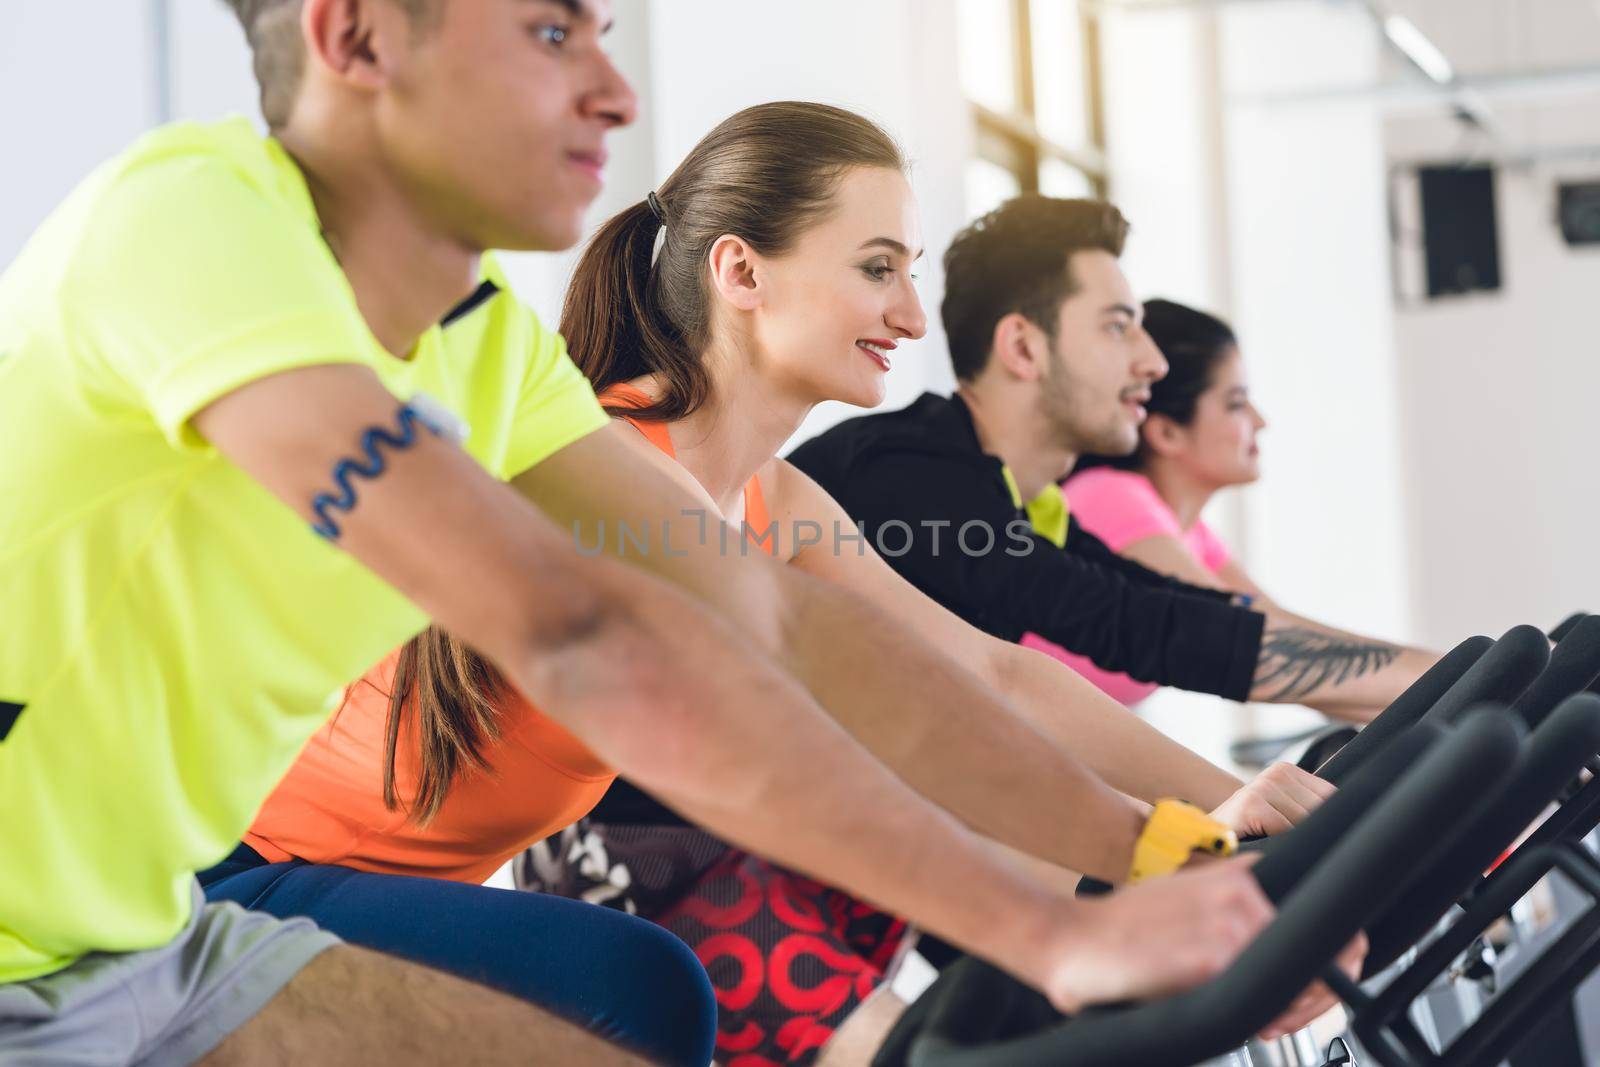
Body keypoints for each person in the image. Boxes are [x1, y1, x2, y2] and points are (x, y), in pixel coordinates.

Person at [0, 4, 1278, 1064]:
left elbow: (784, 621)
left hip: (145, 932)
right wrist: (1046, 931)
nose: (613, 92)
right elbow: (582, 630)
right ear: (357, 39)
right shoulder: (196, 225)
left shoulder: (484, 344)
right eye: (553, 34)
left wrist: (1156, 848)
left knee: (643, 1008)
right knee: (635, 993)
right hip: (99, 931)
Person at [788, 194, 1438, 726]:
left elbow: (1186, 610)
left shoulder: (1015, 499)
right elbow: (1141, 628)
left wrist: (1466, 677)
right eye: (1117, 325)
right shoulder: (909, 474)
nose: (1152, 362)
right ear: (1023, 347)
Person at [1055, 298, 1266, 706]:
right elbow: (1252, 643)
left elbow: (1275, 625)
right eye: (1237, 404)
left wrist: (1424, 683)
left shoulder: (1188, 532)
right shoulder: (1111, 497)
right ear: (1166, 432)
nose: (1260, 421)